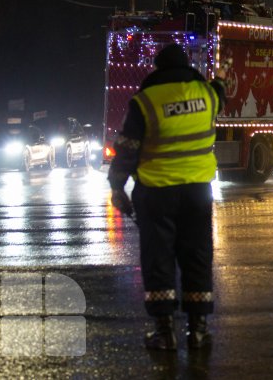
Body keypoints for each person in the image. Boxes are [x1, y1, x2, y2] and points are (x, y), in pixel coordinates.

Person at [109, 44, 226, 350]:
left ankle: (165, 332)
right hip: (198, 192)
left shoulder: (145, 101)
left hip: (157, 193)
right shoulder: (208, 96)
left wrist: (117, 186)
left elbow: (128, 149)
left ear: (157, 69)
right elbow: (220, 93)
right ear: (187, 67)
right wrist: (222, 77)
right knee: (197, 256)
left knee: (158, 258)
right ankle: (198, 330)